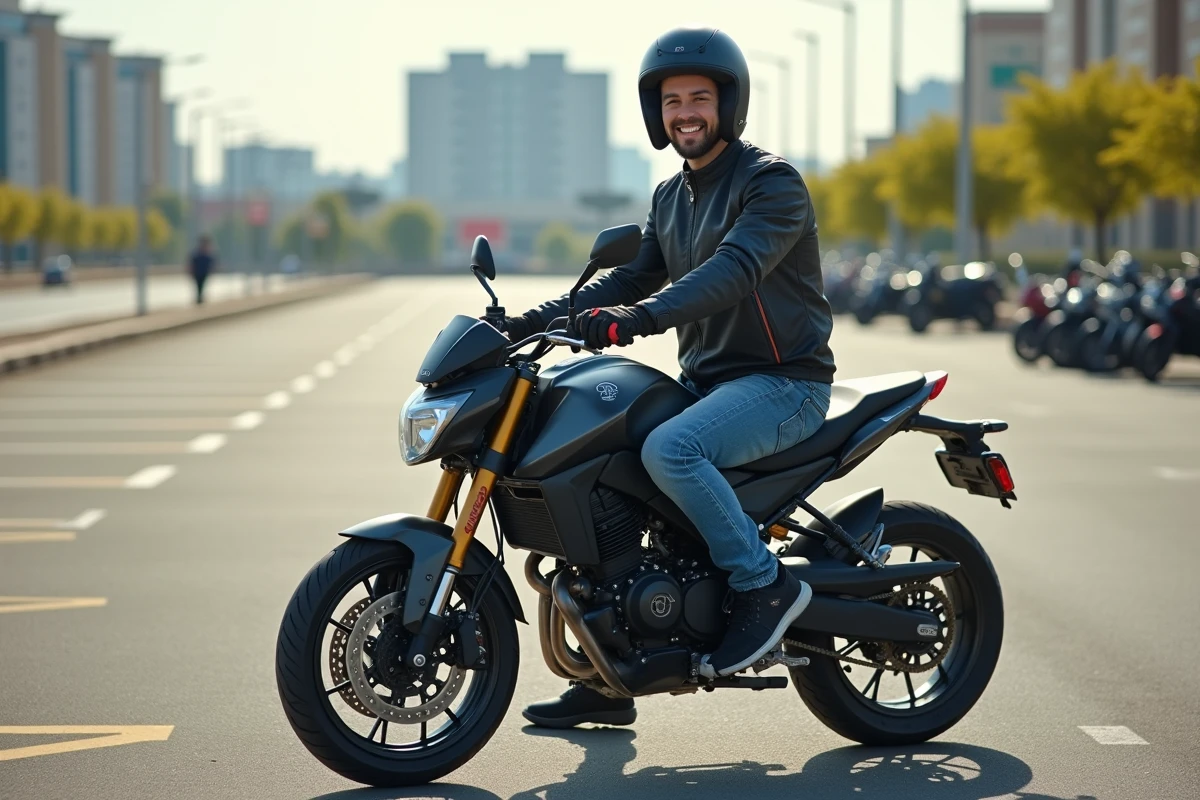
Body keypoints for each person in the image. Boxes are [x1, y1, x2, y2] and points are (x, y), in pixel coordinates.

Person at [499, 27, 836, 729]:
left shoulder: (771, 183)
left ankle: (763, 584)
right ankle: (609, 672)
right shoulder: (670, 195)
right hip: (709, 387)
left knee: (671, 449)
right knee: (603, 461)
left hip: (784, 385)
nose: (685, 113)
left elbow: (733, 270)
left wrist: (640, 318)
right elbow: (628, 277)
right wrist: (528, 320)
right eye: (672, 101)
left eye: (699, 98)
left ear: (728, 104)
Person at [189, 236, 217, 304]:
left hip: (204, 272)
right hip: (197, 273)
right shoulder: (197, 254)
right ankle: (199, 298)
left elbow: (212, 263)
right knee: (198, 286)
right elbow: (192, 263)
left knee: (201, 285)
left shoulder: (207, 254)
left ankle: (200, 298)